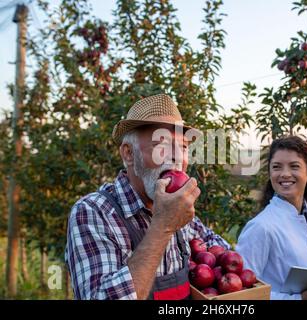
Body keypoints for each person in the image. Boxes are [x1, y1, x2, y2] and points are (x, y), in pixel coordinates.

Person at [65, 94, 230, 300]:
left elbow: (221, 250)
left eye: (183, 147)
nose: (177, 157)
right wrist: (163, 226)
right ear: (128, 154)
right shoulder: (93, 213)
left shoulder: (179, 211)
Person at [236, 136, 307, 300]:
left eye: (294, 166)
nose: (285, 174)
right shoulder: (261, 227)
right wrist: (299, 299)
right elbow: (242, 293)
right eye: (276, 167)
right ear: (270, 174)